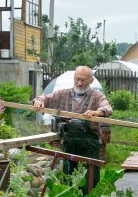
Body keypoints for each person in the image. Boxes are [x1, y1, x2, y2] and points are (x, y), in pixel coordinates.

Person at [33, 66, 113, 194]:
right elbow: (44, 98)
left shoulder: (97, 96)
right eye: (77, 79)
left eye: (83, 80)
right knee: (68, 177)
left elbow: (108, 109)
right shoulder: (63, 94)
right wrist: (38, 101)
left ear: (91, 81)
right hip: (70, 142)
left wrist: (97, 112)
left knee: (92, 178)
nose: (79, 83)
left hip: (89, 144)